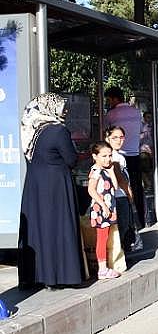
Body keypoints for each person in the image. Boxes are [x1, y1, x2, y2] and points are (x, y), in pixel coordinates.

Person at [18, 93, 86, 289]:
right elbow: (71, 159)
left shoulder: (32, 130)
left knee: (38, 229)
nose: (65, 111)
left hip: (35, 185)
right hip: (56, 185)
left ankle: (36, 276)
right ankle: (59, 276)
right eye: (62, 107)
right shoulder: (58, 130)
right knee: (58, 227)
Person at [104, 87, 146, 227]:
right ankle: (142, 219)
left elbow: (105, 132)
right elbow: (141, 131)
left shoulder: (112, 114)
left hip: (119, 156)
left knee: (122, 190)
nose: (108, 102)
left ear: (115, 98)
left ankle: (127, 222)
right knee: (137, 188)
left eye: (109, 99)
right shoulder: (136, 112)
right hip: (135, 155)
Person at [86, 141, 121, 280]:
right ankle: (102, 268)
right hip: (101, 209)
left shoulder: (106, 170)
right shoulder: (95, 171)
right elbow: (91, 190)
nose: (108, 159)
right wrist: (103, 205)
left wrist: (112, 172)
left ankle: (104, 266)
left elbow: (116, 187)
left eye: (109, 155)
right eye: (104, 156)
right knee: (102, 238)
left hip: (108, 207)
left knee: (105, 238)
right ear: (95, 156)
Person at [105, 126, 139, 253]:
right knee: (123, 226)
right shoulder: (114, 157)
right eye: (115, 137)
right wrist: (129, 193)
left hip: (117, 196)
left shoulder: (119, 155)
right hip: (120, 196)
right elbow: (120, 179)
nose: (118, 140)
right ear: (107, 138)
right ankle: (122, 253)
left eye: (121, 137)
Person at [139, 111, 154, 191]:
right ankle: (148, 184)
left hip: (150, 149)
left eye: (150, 117)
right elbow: (140, 139)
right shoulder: (142, 126)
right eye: (147, 117)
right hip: (143, 150)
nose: (149, 119)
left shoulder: (151, 126)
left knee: (149, 168)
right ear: (144, 117)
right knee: (144, 168)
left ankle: (148, 184)